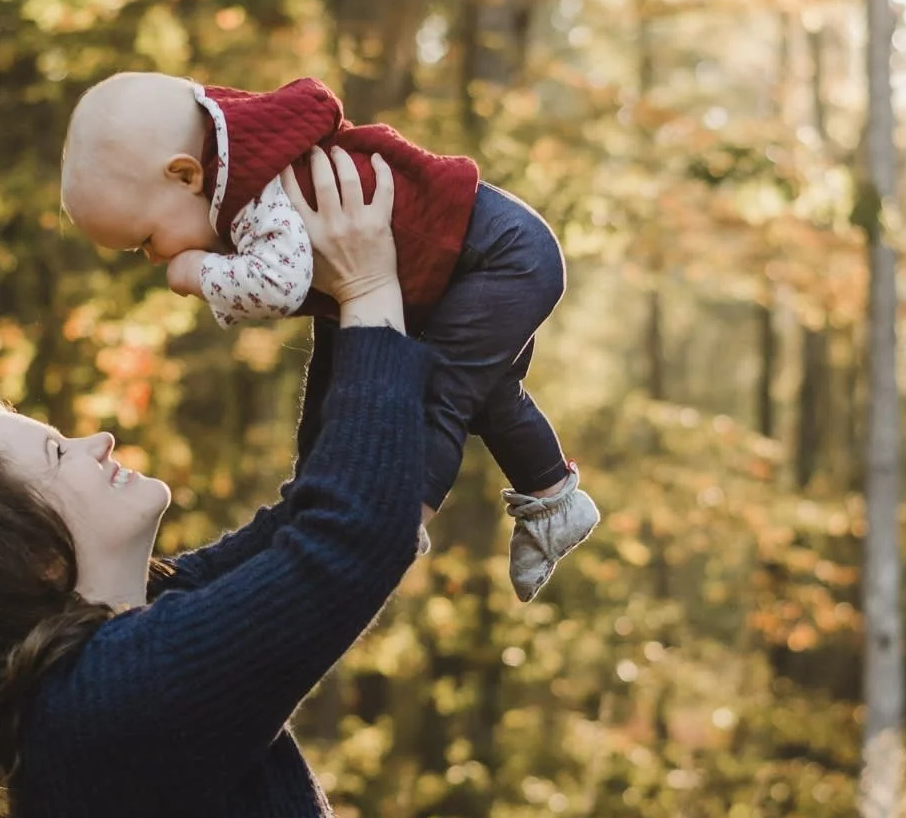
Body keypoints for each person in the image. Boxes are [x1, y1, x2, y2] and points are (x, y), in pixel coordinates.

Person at [0, 149, 435, 818]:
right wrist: (366, 294)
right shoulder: (112, 692)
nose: (100, 439)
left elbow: (322, 513)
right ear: (30, 559)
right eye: (58, 456)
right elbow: (348, 541)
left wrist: (345, 305)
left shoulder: (124, 641)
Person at [59, 71, 599, 602]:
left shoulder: (254, 187)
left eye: (147, 240)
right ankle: (553, 498)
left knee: (439, 391)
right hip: (452, 268)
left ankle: (392, 522)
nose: (156, 258)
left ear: (184, 175)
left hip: (497, 258)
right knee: (364, 390)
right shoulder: (235, 166)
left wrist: (199, 271)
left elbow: (279, 284)